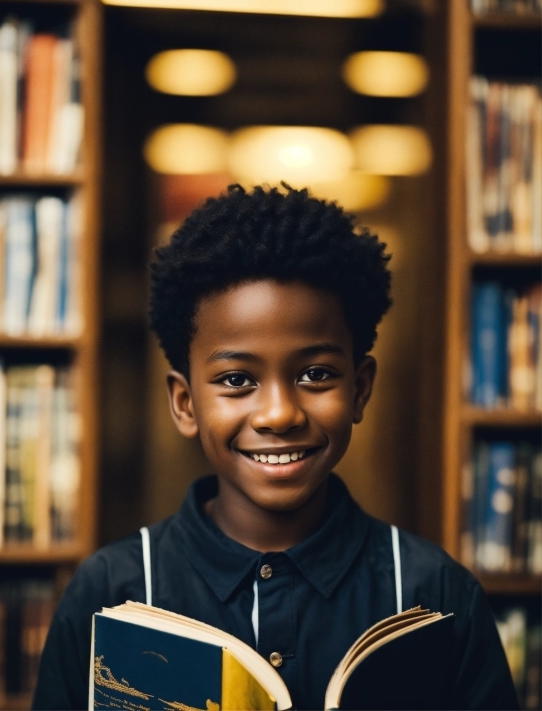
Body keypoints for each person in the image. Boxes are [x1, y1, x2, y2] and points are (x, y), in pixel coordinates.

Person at [32, 184, 518, 711]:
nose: (280, 414)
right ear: (185, 403)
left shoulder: (437, 595)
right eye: (238, 379)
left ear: (359, 389)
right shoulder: (111, 592)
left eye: (315, 374)